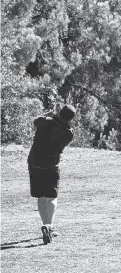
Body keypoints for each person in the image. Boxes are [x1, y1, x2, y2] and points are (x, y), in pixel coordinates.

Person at [28, 103, 76, 244]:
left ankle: (45, 225)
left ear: (59, 112)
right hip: (51, 164)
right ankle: (49, 225)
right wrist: (57, 116)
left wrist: (51, 113)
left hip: (35, 163)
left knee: (41, 196)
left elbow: (35, 121)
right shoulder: (69, 133)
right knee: (52, 197)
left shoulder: (46, 122)